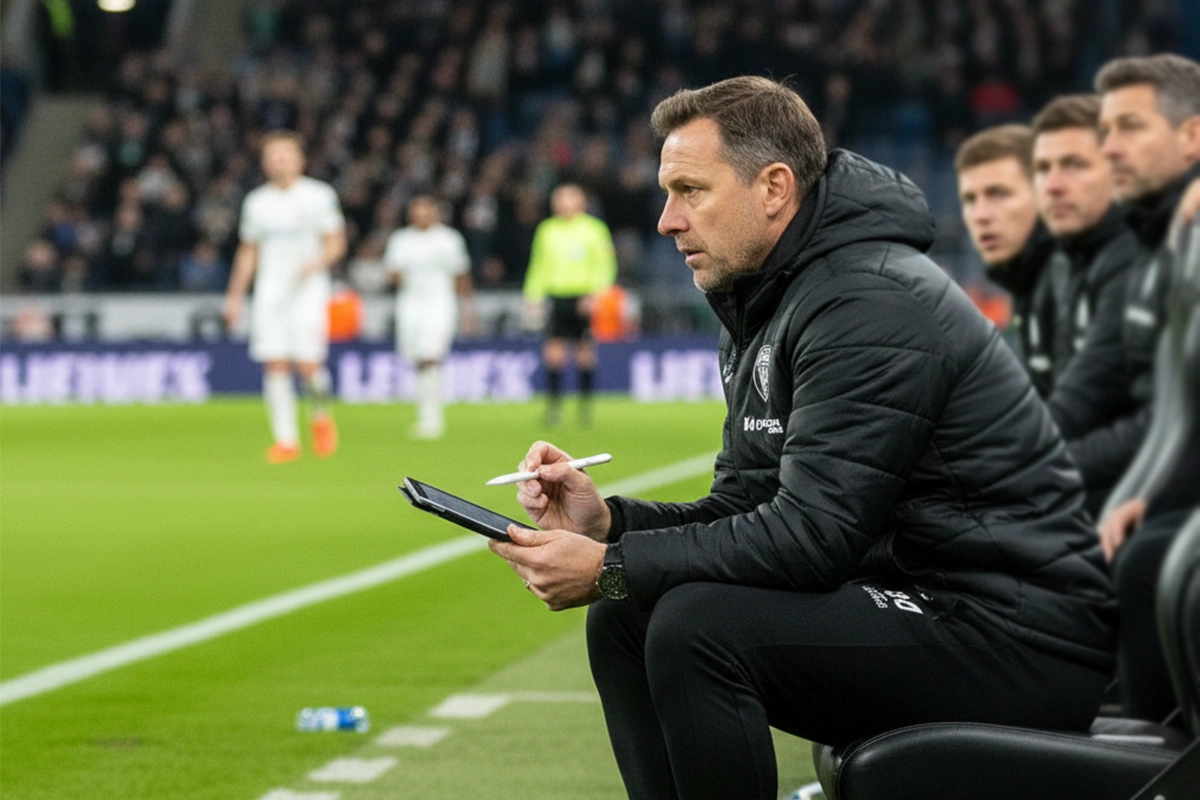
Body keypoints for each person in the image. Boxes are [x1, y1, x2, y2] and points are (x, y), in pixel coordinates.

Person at [488, 76, 1116, 800]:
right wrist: (611, 526)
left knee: (698, 625)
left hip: (1016, 635)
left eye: (690, 190)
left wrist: (614, 562)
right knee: (627, 613)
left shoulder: (867, 298)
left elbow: (811, 538)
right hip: (930, 599)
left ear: (775, 188)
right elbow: (747, 504)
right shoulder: (770, 295)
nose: (665, 220)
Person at [1091, 53, 1200, 721]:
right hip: (1171, 483)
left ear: (1192, 136)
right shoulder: (1166, 238)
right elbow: (1176, 401)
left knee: (1146, 561)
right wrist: (1147, 494)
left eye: (1129, 127)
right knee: (1132, 551)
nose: (1110, 148)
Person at [1030, 94, 1138, 515]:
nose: (1053, 184)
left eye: (1074, 165)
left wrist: (1032, 467)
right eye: (1042, 169)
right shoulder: (1063, 262)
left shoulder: (1139, 259)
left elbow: (1160, 426)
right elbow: (1046, 392)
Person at [224, 131, 347, 463]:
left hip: (308, 290)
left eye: (286, 154)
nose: (280, 160)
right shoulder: (257, 202)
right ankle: (286, 440)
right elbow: (248, 252)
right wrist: (235, 295)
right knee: (274, 362)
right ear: (264, 162)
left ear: (300, 159)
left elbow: (336, 242)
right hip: (270, 290)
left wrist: (317, 262)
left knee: (308, 365)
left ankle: (320, 416)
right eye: (273, 155)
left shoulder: (319, 196)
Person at [956, 124, 1064, 396]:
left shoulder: (1076, 282)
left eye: (998, 194)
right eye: (970, 199)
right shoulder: (1029, 287)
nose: (980, 215)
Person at [522, 183, 617, 425]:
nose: (563, 204)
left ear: (581, 202)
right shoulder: (547, 229)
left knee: (584, 352)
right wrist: (533, 295)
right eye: (560, 199)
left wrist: (595, 294)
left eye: (569, 199)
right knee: (553, 353)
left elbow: (605, 265)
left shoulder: (594, 230)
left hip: (582, 296)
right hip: (556, 296)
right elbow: (538, 264)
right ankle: (554, 407)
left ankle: (585, 407)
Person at [383, 194, 476, 440]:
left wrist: (468, 310)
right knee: (417, 360)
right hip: (410, 305)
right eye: (417, 209)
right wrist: (395, 275)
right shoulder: (401, 240)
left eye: (426, 209)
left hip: (439, 304)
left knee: (431, 357)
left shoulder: (448, 239)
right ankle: (424, 415)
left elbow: (461, 276)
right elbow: (391, 274)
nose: (421, 214)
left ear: (435, 211)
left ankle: (432, 419)